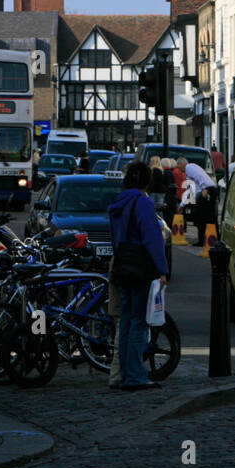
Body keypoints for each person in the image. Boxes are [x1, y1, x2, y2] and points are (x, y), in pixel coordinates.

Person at [106, 161, 170, 390]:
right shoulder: (142, 202)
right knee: (138, 322)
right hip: (140, 267)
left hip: (122, 265)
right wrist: (162, 269)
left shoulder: (118, 202)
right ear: (146, 181)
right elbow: (152, 238)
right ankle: (135, 375)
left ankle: (124, 372)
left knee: (125, 322)